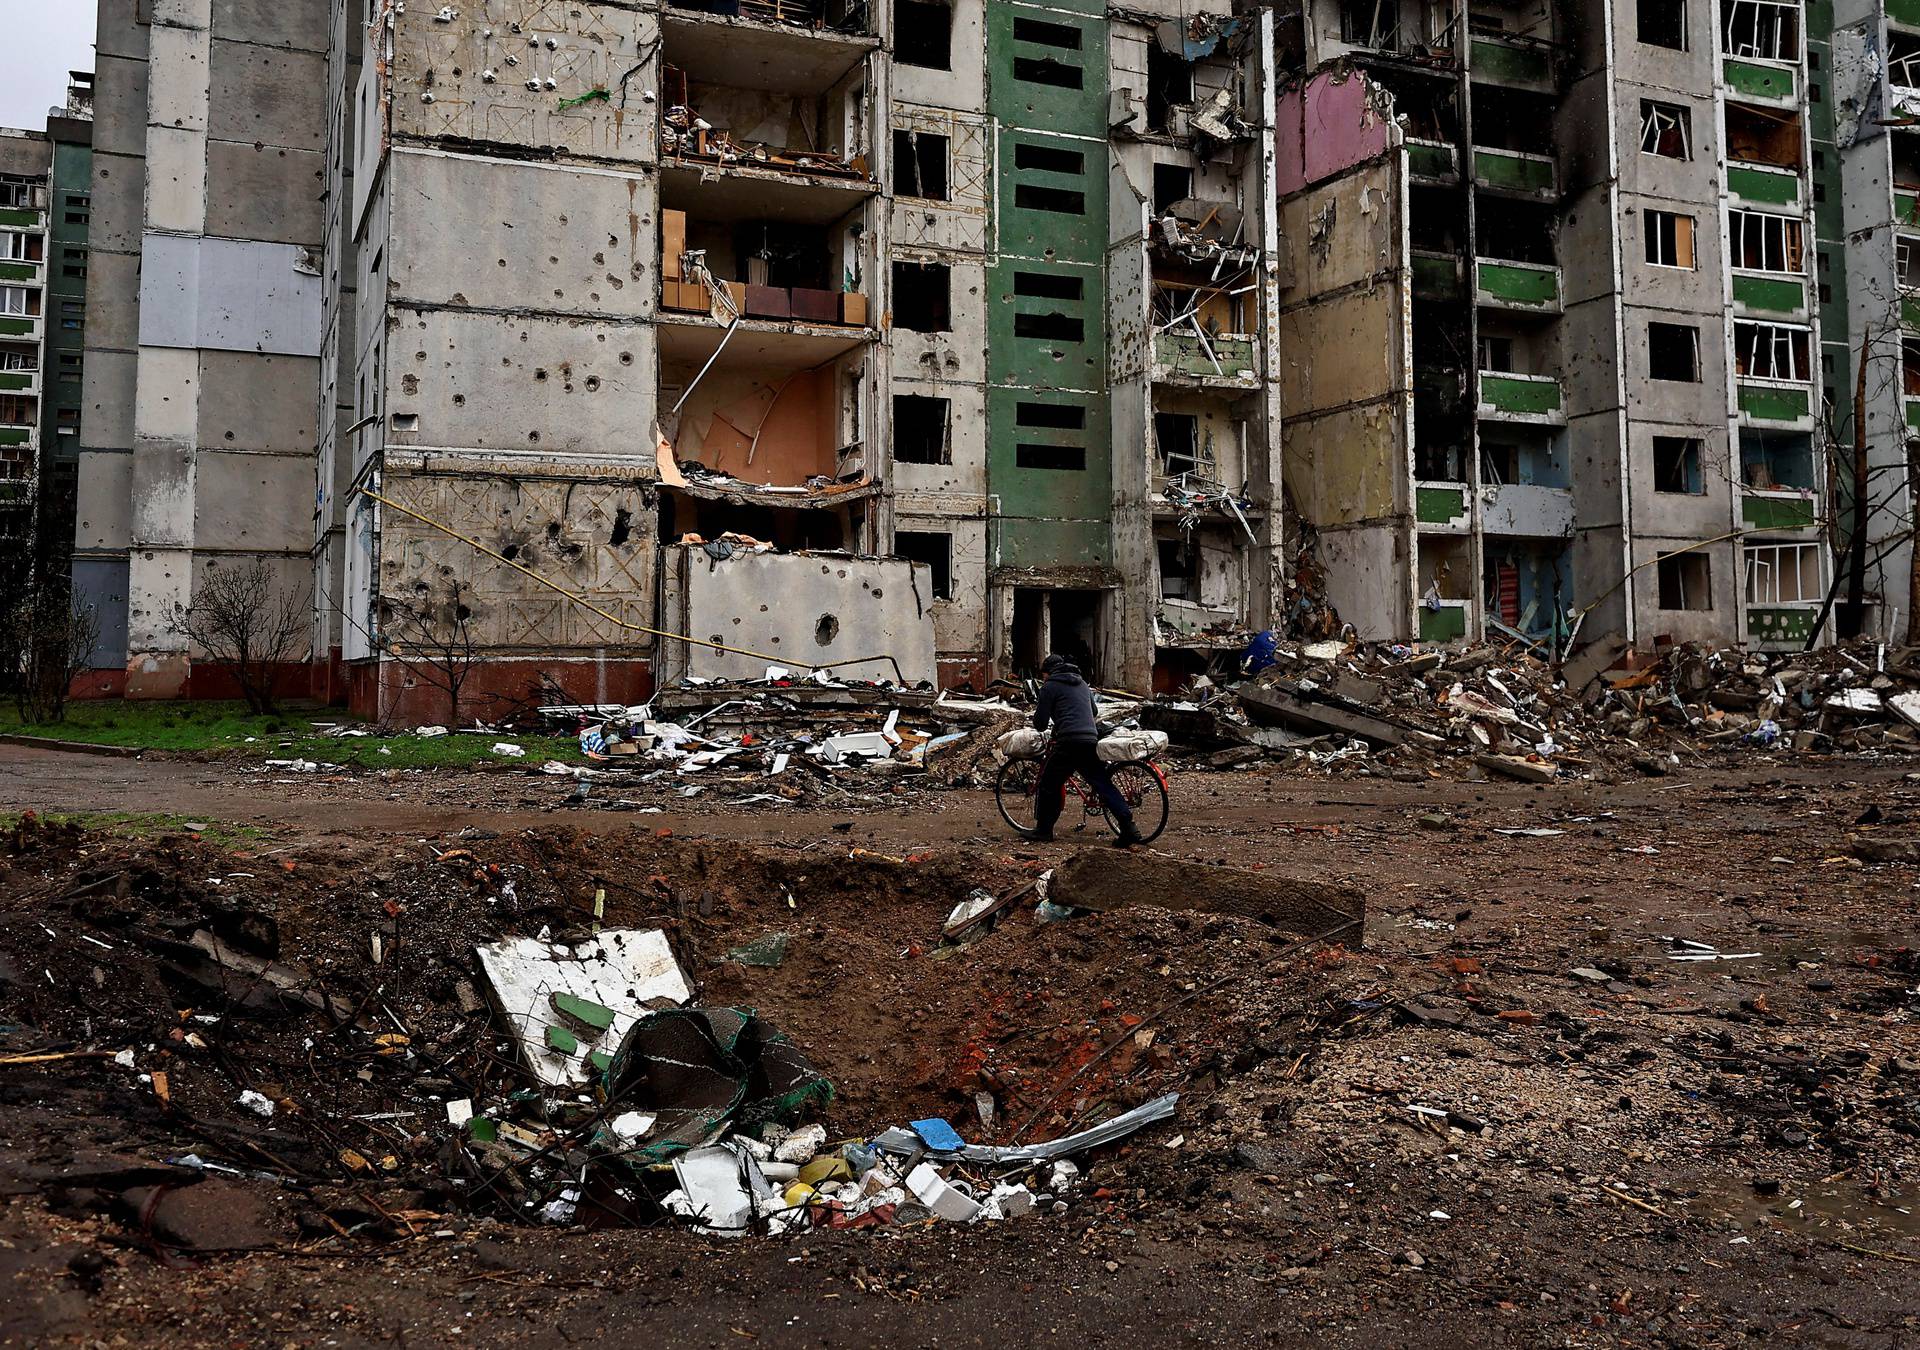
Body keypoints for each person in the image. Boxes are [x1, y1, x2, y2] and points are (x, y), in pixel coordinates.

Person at [1029, 653, 1143, 847]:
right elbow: (1094, 712)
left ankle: (1044, 830)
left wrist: (1055, 716)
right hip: (1090, 739)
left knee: (1049, 783)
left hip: (1069, 742)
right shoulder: (1082, 683)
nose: (1043, 679)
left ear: (1047, 673)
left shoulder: (1049, 686)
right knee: (1102, 783)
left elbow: (1040, 723)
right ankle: (1129, 827)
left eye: (1044, 675)